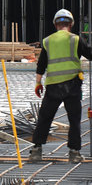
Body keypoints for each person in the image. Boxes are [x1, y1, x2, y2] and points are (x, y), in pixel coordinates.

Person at [29, 9, 92, 163]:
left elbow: (41, 65)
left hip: (53, 87)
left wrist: (38, 83)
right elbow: (90, 54)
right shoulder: (75, 39)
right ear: (70, 24)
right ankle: (74, 152)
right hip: (72, 86)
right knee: (74, 119)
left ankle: (36, 151)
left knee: (45, 118)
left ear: (55, 24)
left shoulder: (48, 41)